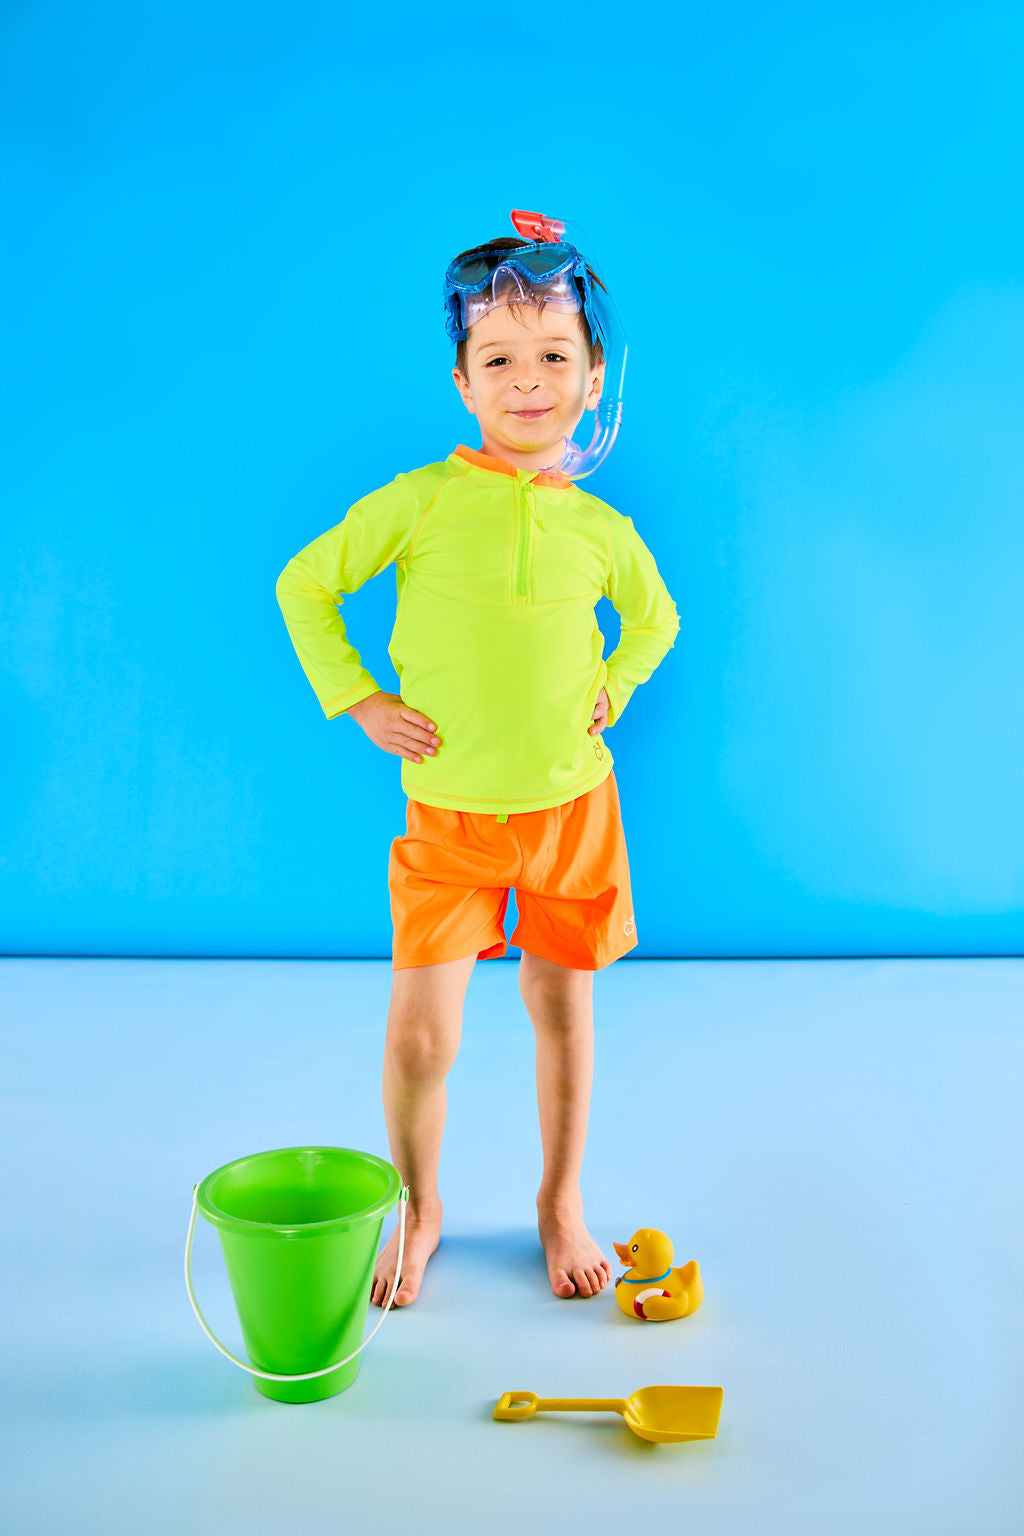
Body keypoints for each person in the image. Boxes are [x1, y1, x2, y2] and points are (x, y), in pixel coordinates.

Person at [275, 226, 679, 1307]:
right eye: (498, 359)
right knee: (420, 1035)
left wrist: (618, 687)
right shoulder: (415, 503)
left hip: (569, 810)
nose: (528, 381)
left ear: (593, 381)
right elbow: (304, 585)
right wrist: (357, 697)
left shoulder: (603, 529)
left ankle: (559, 1201)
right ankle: (419, 1203)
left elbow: (655, 622)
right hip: (448, 818)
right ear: (462, 384)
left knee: (561, 1010)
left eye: (553, 357)